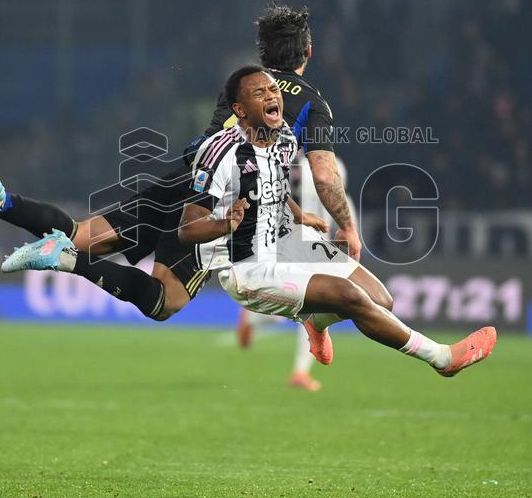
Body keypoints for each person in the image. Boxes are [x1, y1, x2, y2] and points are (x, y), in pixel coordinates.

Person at [0, 5, 357, 337]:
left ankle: (0, 201)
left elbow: (257, 163)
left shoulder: (242, 84)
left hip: (185, 172)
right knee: (165, 301)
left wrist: (295, 213)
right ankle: (66, 262)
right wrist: (347, 226)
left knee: (84, 235)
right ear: (310, 52)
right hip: (216, 204)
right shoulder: (313, 104)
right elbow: (318, 174)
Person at [179, 65, 497, 378]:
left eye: (272, 89)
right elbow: (187, 228)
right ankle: (441, 358)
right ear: (240, 109)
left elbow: (270, 183)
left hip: (288, 241)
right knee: (347, 296)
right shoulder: (217, 154)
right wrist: (225, 225)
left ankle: (314, 323)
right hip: (248, 266)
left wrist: (298, 213)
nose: (271, 95)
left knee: (380, 299)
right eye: (258, 92)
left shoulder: (284, 139)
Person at [236, 152, 356, 391]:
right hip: (294, 244)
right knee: (308, 311)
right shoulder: (306, 166)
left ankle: (254, 320)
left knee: (298, 310)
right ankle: (299, 371)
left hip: (308, 248)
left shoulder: (295, 165)